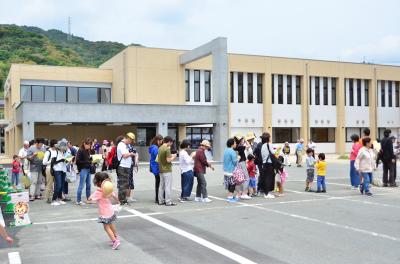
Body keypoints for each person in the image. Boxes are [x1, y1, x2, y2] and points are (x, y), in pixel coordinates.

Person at [88, 172, 120, 250]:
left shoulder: (98, 192)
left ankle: (115, 241)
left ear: (98, 182)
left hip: (104, 213)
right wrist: (118, 201)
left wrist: (89, 200)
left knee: (106, 227)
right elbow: (115, 196)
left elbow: (89, 199)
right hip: (110, 211)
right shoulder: (108, 189)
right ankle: (116, 237)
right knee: (111, 224)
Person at [116, 133, 136, 205]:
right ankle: (122, 201)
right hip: (123, 167)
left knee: (125, 184)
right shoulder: (121, 145)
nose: (131, 142)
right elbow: (125, 155)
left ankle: (123, 200)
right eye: (131, 141)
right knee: (123, 184)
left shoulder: (124, 145)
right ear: (128, 138)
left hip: (126, 167)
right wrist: (131, 154)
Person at [158, 136, 177, 206]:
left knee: (161, 186)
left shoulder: (160, 148)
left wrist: (171, 155)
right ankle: (168, 201)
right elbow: (168, 160)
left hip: (161, 169)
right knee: (168, 186)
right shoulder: (167, 149)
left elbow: (165, 156)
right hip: (167, 169)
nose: (171, 144)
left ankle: (161, 201)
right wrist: (174, 157)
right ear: (169, 141)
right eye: (171, 143)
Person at [51, 139, 68, 206]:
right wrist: (61, 160)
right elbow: (53, 162)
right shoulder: (55, 152)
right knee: (58, 185)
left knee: (61, 185)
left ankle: (59, 198)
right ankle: (54, 199)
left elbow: (64, 161)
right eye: (63, 147)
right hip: (57, 170)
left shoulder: (63, 153)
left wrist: (67, 160)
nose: (63, 148)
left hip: (63, 170)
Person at [76, 138, 93, 205]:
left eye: (90, 145)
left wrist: (90, 160)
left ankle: (88, 198)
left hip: (88, 169)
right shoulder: (80, 150)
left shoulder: (87, 150)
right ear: (84, 144)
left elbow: (87, 159)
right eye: (88, 145)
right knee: (81, 185)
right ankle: (78, 200)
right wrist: (87, 161)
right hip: (83, 169)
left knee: (89, 185)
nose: (89, 146)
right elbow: (77, 161)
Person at [234, 135, 251, 200]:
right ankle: (244, 193)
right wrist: (245, 139)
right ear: (240, 140)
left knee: (239, 178)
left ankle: (239, 193)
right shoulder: (240, 146)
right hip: (242, 162)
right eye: (242, 140)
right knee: (246, 178)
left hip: (237, 163)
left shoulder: (235, 147)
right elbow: (249, 146)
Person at [261, 133, 276, 199]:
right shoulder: (269, 144)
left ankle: (265, 192)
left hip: (264, 163)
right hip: (269, 163)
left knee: (266, 178)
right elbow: (273, 152)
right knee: (269, 178)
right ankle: (267, 193)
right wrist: (276, 150)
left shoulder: (263, 145)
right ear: (268, 138)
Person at [149, 135, 163, 203]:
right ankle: (158, 198)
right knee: (159, 183)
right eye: (161, 141)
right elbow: (158, 156)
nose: (161, 142)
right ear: (158, 140)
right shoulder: (155, 148)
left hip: (154, 167)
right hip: (156, 167)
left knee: (158, 182)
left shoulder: (153, 147)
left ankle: (157, 198)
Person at [42, 139, 58, 203]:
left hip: (56, 169)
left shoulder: (57, 151)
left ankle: (54, 197)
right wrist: (51, 161)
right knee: (49, 184)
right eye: (57, 144)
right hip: (49, 169)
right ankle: (48, 197)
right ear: (54, 144)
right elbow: (44, 162)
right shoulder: (48, 152)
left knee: (56, 184)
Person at [223, 138, 238, 202]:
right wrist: (238, 158)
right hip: (231, 170)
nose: (236, 144)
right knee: (233, 184)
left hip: (225, 169)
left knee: (229, 183)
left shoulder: (226, 150)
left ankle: (229, 195)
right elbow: (235, 162)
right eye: (235, 143)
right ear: (232, 144)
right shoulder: (232, 151)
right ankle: (230, 197)